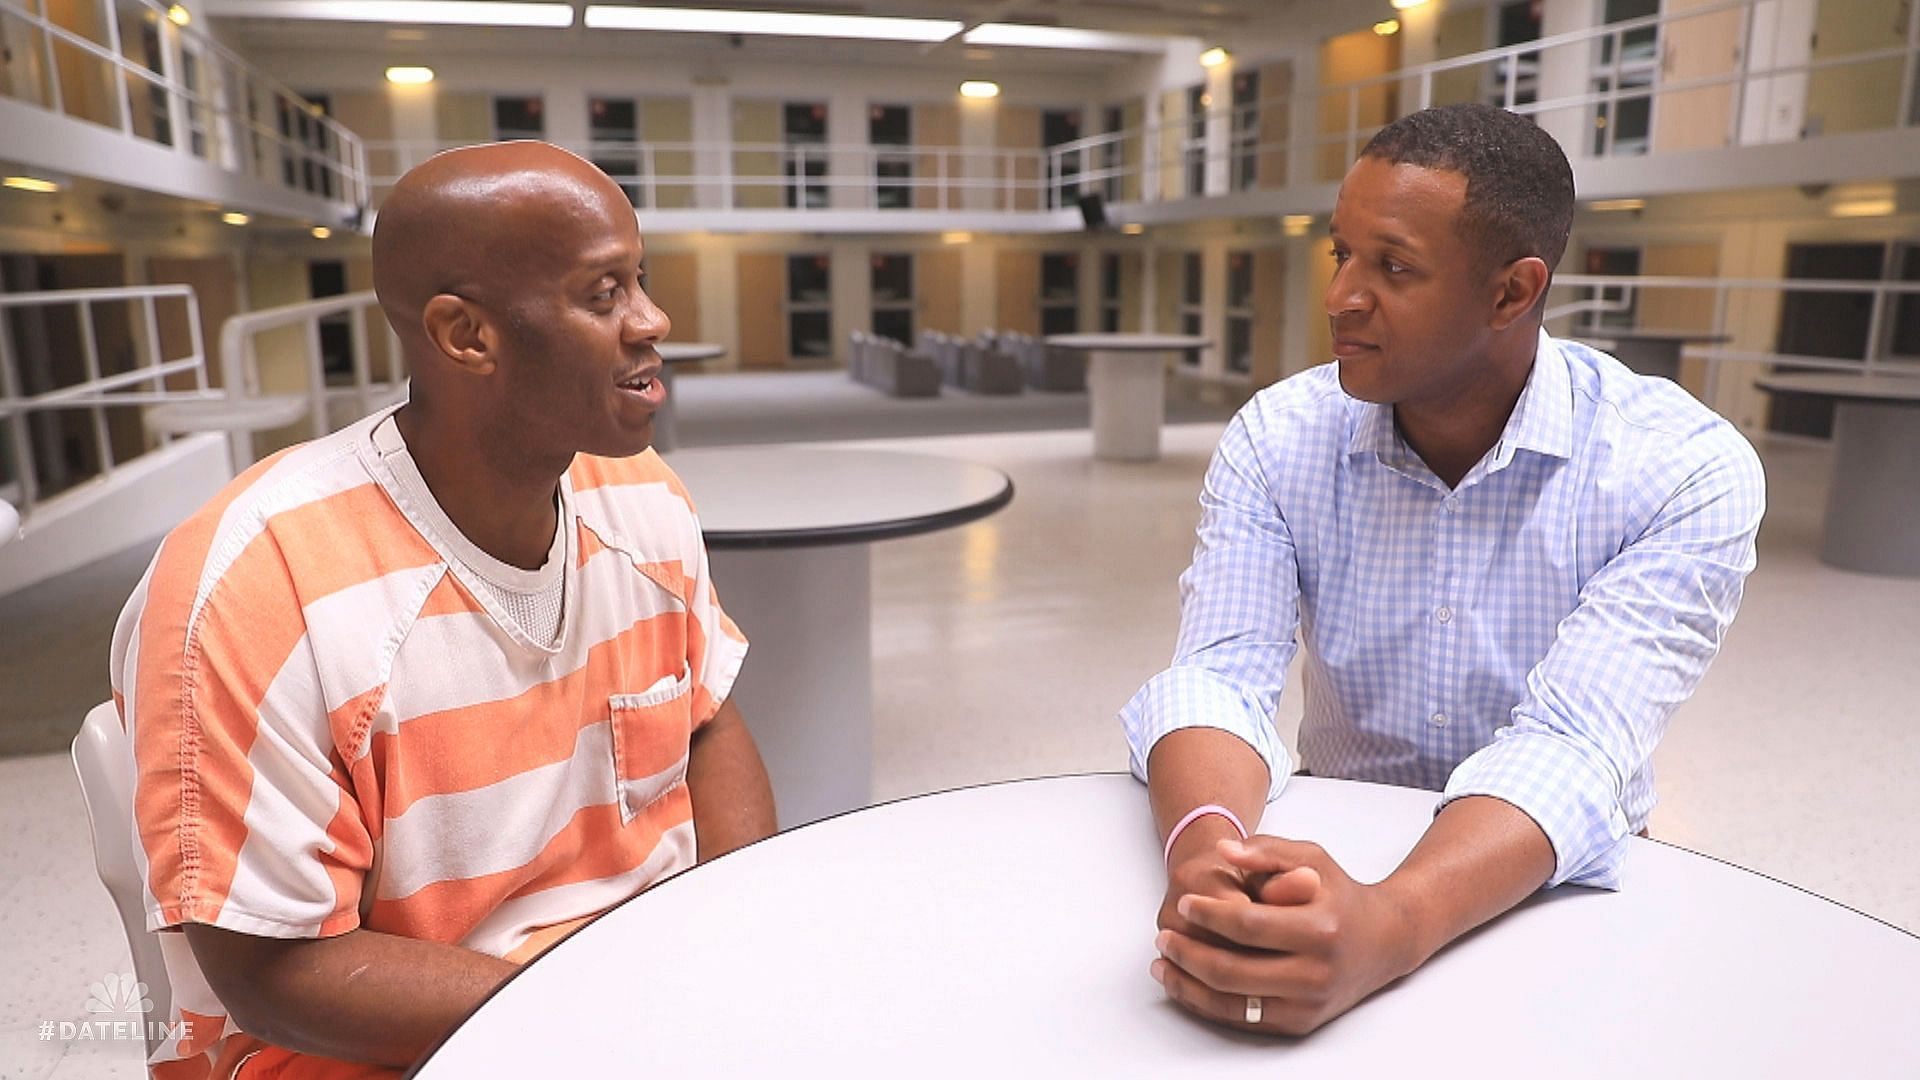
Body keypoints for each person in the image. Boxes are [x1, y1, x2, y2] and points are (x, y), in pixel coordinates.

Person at [109, 142, 776, 1078]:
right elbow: (271, 971)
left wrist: (738, 928)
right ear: (467, 336)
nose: (653, 320)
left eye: (642, 281)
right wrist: (605, 1009)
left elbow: (706, 717)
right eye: (603, 293)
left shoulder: (643, 500)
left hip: (634, 1005)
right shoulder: (260, 583)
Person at [1119, 104, 1765, 1036]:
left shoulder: (1680, 470)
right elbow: (1218, 679)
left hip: (1544, 889)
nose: (1342, 296)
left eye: (1393, 267)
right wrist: (1206, 852)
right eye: (1341, 254)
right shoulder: (1278, 437)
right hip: (1323, 865)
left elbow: (1575, 748)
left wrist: (1396, 921)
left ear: (1512, 293)